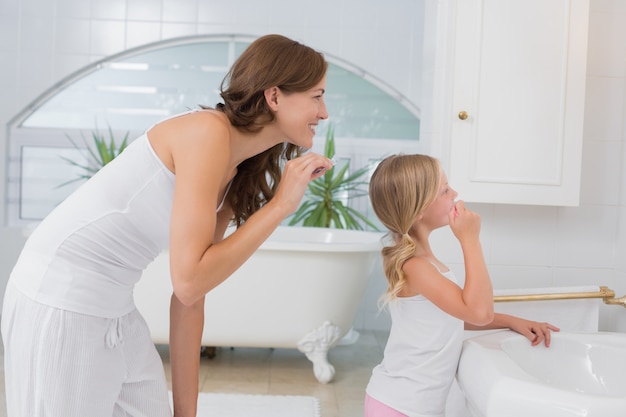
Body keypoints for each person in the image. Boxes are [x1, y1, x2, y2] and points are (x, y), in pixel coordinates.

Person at [1, 34, 334, 417]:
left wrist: (186, 413)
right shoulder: (207, 132)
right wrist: (279, 207)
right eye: (317, 95)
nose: (324, 113)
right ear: (274, 97)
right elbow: (188, 279)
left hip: (115, 306)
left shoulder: (238, 170)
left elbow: (191, 297)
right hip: (59, 298)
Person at [364, 154, 560, 417]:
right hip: (400, 405)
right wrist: (470, 239)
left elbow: (453, 314)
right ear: (420, 209)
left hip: (411, 404)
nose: (455, 193)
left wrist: (512, 321)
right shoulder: (416, 267)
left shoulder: (425, 262)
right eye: (445, 190)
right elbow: (479, 312)